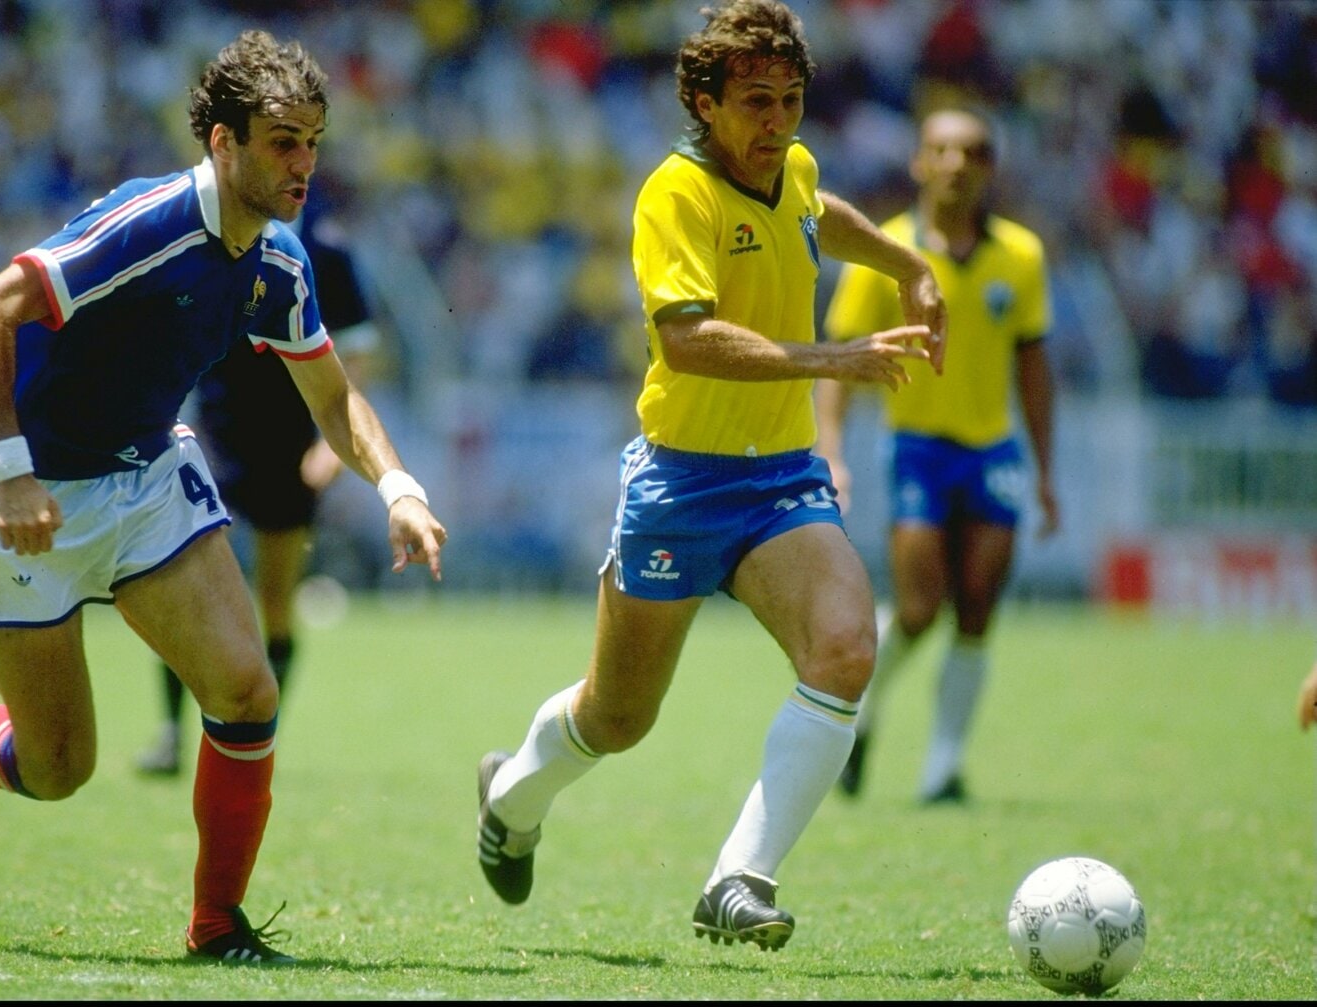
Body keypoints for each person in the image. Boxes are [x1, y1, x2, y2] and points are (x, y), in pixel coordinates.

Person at [0, 30, 446, 967]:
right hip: (34, 497)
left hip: (149, 479)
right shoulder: (147, 226)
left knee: (245, 686)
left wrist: (396, 484)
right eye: (281, 140)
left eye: (312, 140)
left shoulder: (279, 263)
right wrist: (15, 469)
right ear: (222, 143)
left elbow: (334, 393)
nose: (303, 162)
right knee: (59, 768)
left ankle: (216, 923)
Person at [474, 0, 946, 952]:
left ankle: (738, 878)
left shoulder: (796, 169)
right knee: (616, 717)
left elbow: (824, 215)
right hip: (681, 483)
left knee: (847, 647)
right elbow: (686, 341)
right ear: (703, 101)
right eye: (755, 103)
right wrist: (829, 357)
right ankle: (508, 796)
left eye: (792, 100)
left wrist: (907, 261)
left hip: (780, 480)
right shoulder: (673, 195)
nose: (778, 123)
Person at [817, 106, 1057, 804]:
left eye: (973, 150)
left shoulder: (1022, 256)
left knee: (978, 607)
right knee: (920, 607)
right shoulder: (881, 252)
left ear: (989, 168)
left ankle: (943, 768)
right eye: (942, 150)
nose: (956, 162)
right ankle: (862, 718)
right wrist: (831, 450)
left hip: (993, 450)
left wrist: (1045, 471)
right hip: (916, 448)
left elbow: (1035, 367)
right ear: (920, 163)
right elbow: (839, 360)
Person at [135, 213, 381, 776]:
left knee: (275, 601)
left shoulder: (327, 248)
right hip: (214, 435)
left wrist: (331, 448)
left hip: (290, 440)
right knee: (185, 592)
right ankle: (174, 733)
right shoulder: (214, 231)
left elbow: (357, 352)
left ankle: (257, 738)